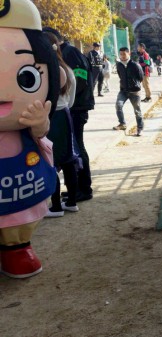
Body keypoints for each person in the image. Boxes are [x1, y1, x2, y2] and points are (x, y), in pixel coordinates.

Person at [0, 0, 61, 278]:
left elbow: (42, 140)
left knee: (15, 223)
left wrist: (39, 125)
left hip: (18, 183)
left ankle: (17, 248)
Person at [43, 27, 95, 203]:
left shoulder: (70, 53)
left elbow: (80, 80)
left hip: (76, 109)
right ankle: (76, 189)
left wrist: (68, 103)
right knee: (72, 151)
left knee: (76, 150)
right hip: (72, 108)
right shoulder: (66, 53)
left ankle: (84, 188)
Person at [43, 31, 81, 218]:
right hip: (65, 115)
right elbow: (71, 99)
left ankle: (56, 205)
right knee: (68, 159)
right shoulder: (67, 69)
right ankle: (71, 202)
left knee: (50, 161)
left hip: (50, 117)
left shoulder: (44, 70)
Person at [112, 47, 144, 137]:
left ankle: (140, 128)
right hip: (123, 91)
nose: (122, 56)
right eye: (120, 54)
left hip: (134, 91)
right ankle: (122, 124)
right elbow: (120, 76)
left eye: (124, 54)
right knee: (118, 105)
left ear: (128, 53)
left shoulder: (135, 65)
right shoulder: (119, 65)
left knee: (137, 111)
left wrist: (134, 84)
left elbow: (141, 77)